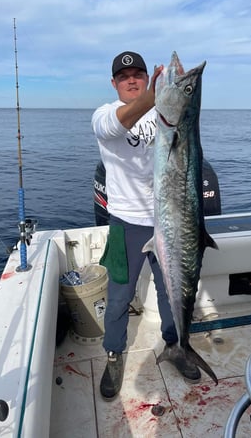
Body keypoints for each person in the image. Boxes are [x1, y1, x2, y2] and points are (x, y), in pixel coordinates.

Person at [91, 51, 201, 401]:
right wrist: (159, 97)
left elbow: (186, 130)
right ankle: (113, 354)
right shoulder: (103, 116)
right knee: (120, 295)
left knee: (172, 294)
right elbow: (117, 124)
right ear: (114, 83)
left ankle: (177, 345)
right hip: (126, 223)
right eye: (125, 77)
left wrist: (174, 97)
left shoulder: (164, 113)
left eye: (138, 73)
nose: (133, 79)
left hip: (170, 220)